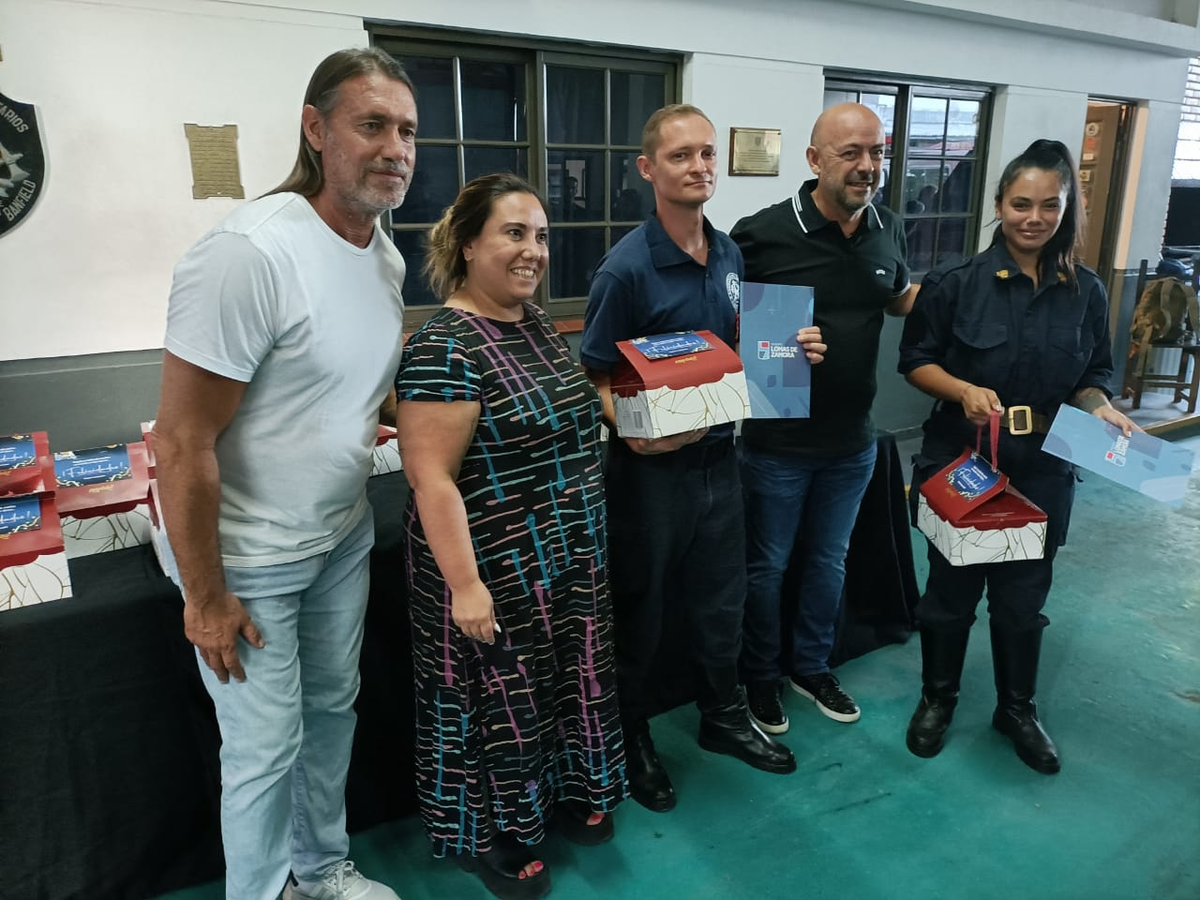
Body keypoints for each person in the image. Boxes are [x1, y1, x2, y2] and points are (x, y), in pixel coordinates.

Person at [153, 47, 416, 900]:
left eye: (408, 131)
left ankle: (322, 868)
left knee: (330, 715)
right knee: (263, 750)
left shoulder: (383, 257)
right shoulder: (249, 254)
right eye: (372, 124)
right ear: (316, 128)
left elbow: (341, 395)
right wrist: (206, 597)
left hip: (339, 536)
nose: (395, 148)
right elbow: (181, 443)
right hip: (249, 561)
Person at [395, 173, 626, 900]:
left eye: (542, 235)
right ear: (468, 245)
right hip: (491, 567)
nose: (534, 250)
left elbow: (577, 415)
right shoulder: (443, 347)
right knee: (495, 703)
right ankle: (492, 836)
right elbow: (430, 478)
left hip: (564, 557)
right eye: (514, 233)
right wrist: (465, 586)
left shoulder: (532, 323)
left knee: (557, 689)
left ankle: (554, 797)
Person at [581, 104, 797, 814]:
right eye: (681, 156)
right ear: (649, 169)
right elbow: (595, 378)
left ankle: (722, 717)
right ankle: (632, 733)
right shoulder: (625, 271)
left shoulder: (731, 254)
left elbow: (742, 350)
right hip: (649, 476)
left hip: (718, 463)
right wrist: (632, 429)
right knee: (641, 614)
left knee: (721, 602)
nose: (699, 167)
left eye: (706, 154)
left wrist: (792, 351)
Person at [897, 138, 1136, 774]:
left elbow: (1094, 372)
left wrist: (1101, 407)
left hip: (1044, 464)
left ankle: (1016, 709)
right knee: (949, 595)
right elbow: (915, 361)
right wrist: (963, 390)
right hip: (965, 458)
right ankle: (937, 701)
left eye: (1048, 206)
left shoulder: (1084, 291)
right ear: (1000, 204)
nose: (1034, 218)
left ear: (1067, 211)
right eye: (1021, 204)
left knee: (1023, 600)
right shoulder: (954, 283)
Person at [730, 103, 916, 735]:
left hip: (852, 443)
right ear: (814, 160)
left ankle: (809, 667)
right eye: (850, 153)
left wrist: (955, 295)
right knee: (767, 568)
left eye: (877, 153)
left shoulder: (887, 227)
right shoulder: (759, 233)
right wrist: (762, 340)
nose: (867, 166)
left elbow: (891, 299)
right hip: (777, 443)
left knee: (828, 563)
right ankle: (759, 677)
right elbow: (722, 324)